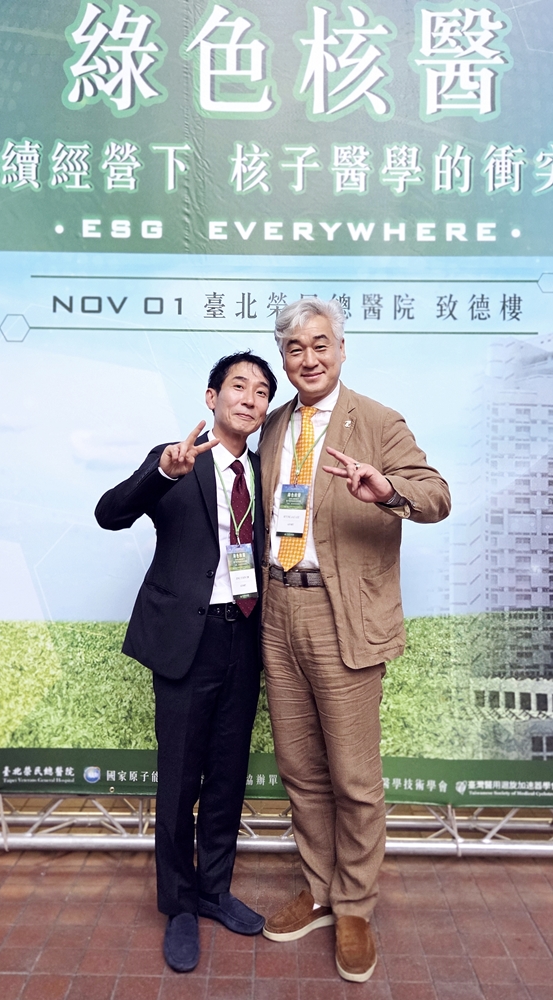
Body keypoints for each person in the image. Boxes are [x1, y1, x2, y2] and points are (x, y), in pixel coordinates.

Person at [258, 299, 451, 982]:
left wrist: (388, 489)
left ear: (341, 349)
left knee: (354, 779)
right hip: (278, 609)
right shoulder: (273, 425)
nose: (308, 359)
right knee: (300, 770)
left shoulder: (377, 420)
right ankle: (319, 890)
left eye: (320, 345)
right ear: (283, 358)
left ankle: (355, 907)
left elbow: (436, 495)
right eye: (294, 349)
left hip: (344, 615)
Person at [95, 351, 277, 973]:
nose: (249, 398)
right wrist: (161, 474)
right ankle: (178, 904)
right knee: (179, 780)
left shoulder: (267, 472)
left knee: (227, 774)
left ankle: (214, 891)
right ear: (211, 397)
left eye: (261, 391)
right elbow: (109, 514)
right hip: (185, 642)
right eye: (238, 386)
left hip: (245, 637)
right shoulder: (177, 458)